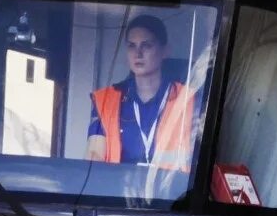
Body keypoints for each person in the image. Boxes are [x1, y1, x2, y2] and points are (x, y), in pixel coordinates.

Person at [84, 16, 198, 169]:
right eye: (132, 46)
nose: (138, 53)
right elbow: (93, 155)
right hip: (114, 190)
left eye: (146, 45)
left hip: (170, 191)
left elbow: (196, 159)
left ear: (165, 51)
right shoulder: (105, 100)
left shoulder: (188, 99)